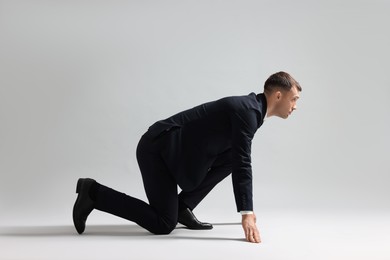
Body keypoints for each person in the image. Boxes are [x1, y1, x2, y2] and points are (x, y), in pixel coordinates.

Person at [72, 71, 302, 243]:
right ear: (279, 95)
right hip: (157, 149)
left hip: (175, 154)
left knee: (231, 157)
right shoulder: (247, 112)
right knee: (163, 224)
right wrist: (247, 213)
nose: (295, 106)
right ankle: (93, 192)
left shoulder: (251, 110)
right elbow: (244, 163)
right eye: (294, 100)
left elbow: (236, 159)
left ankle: (183, 206)